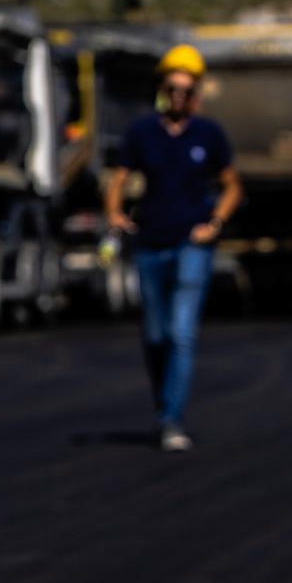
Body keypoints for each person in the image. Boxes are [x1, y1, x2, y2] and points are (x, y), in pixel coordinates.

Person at [106, 43, 241, 453]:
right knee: (155, 334)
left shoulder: (209, 134)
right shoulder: (142, 132)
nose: (179, 96)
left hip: (191, 243)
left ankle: (171, 418)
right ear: (162, 91)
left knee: (182, 334)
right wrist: (114, 211)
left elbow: (232, 185)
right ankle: (163, 401)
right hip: (150, 242)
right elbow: (119, 177)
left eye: (186, 90)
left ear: (196, 94)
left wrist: (215, 223)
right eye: (172, 89)